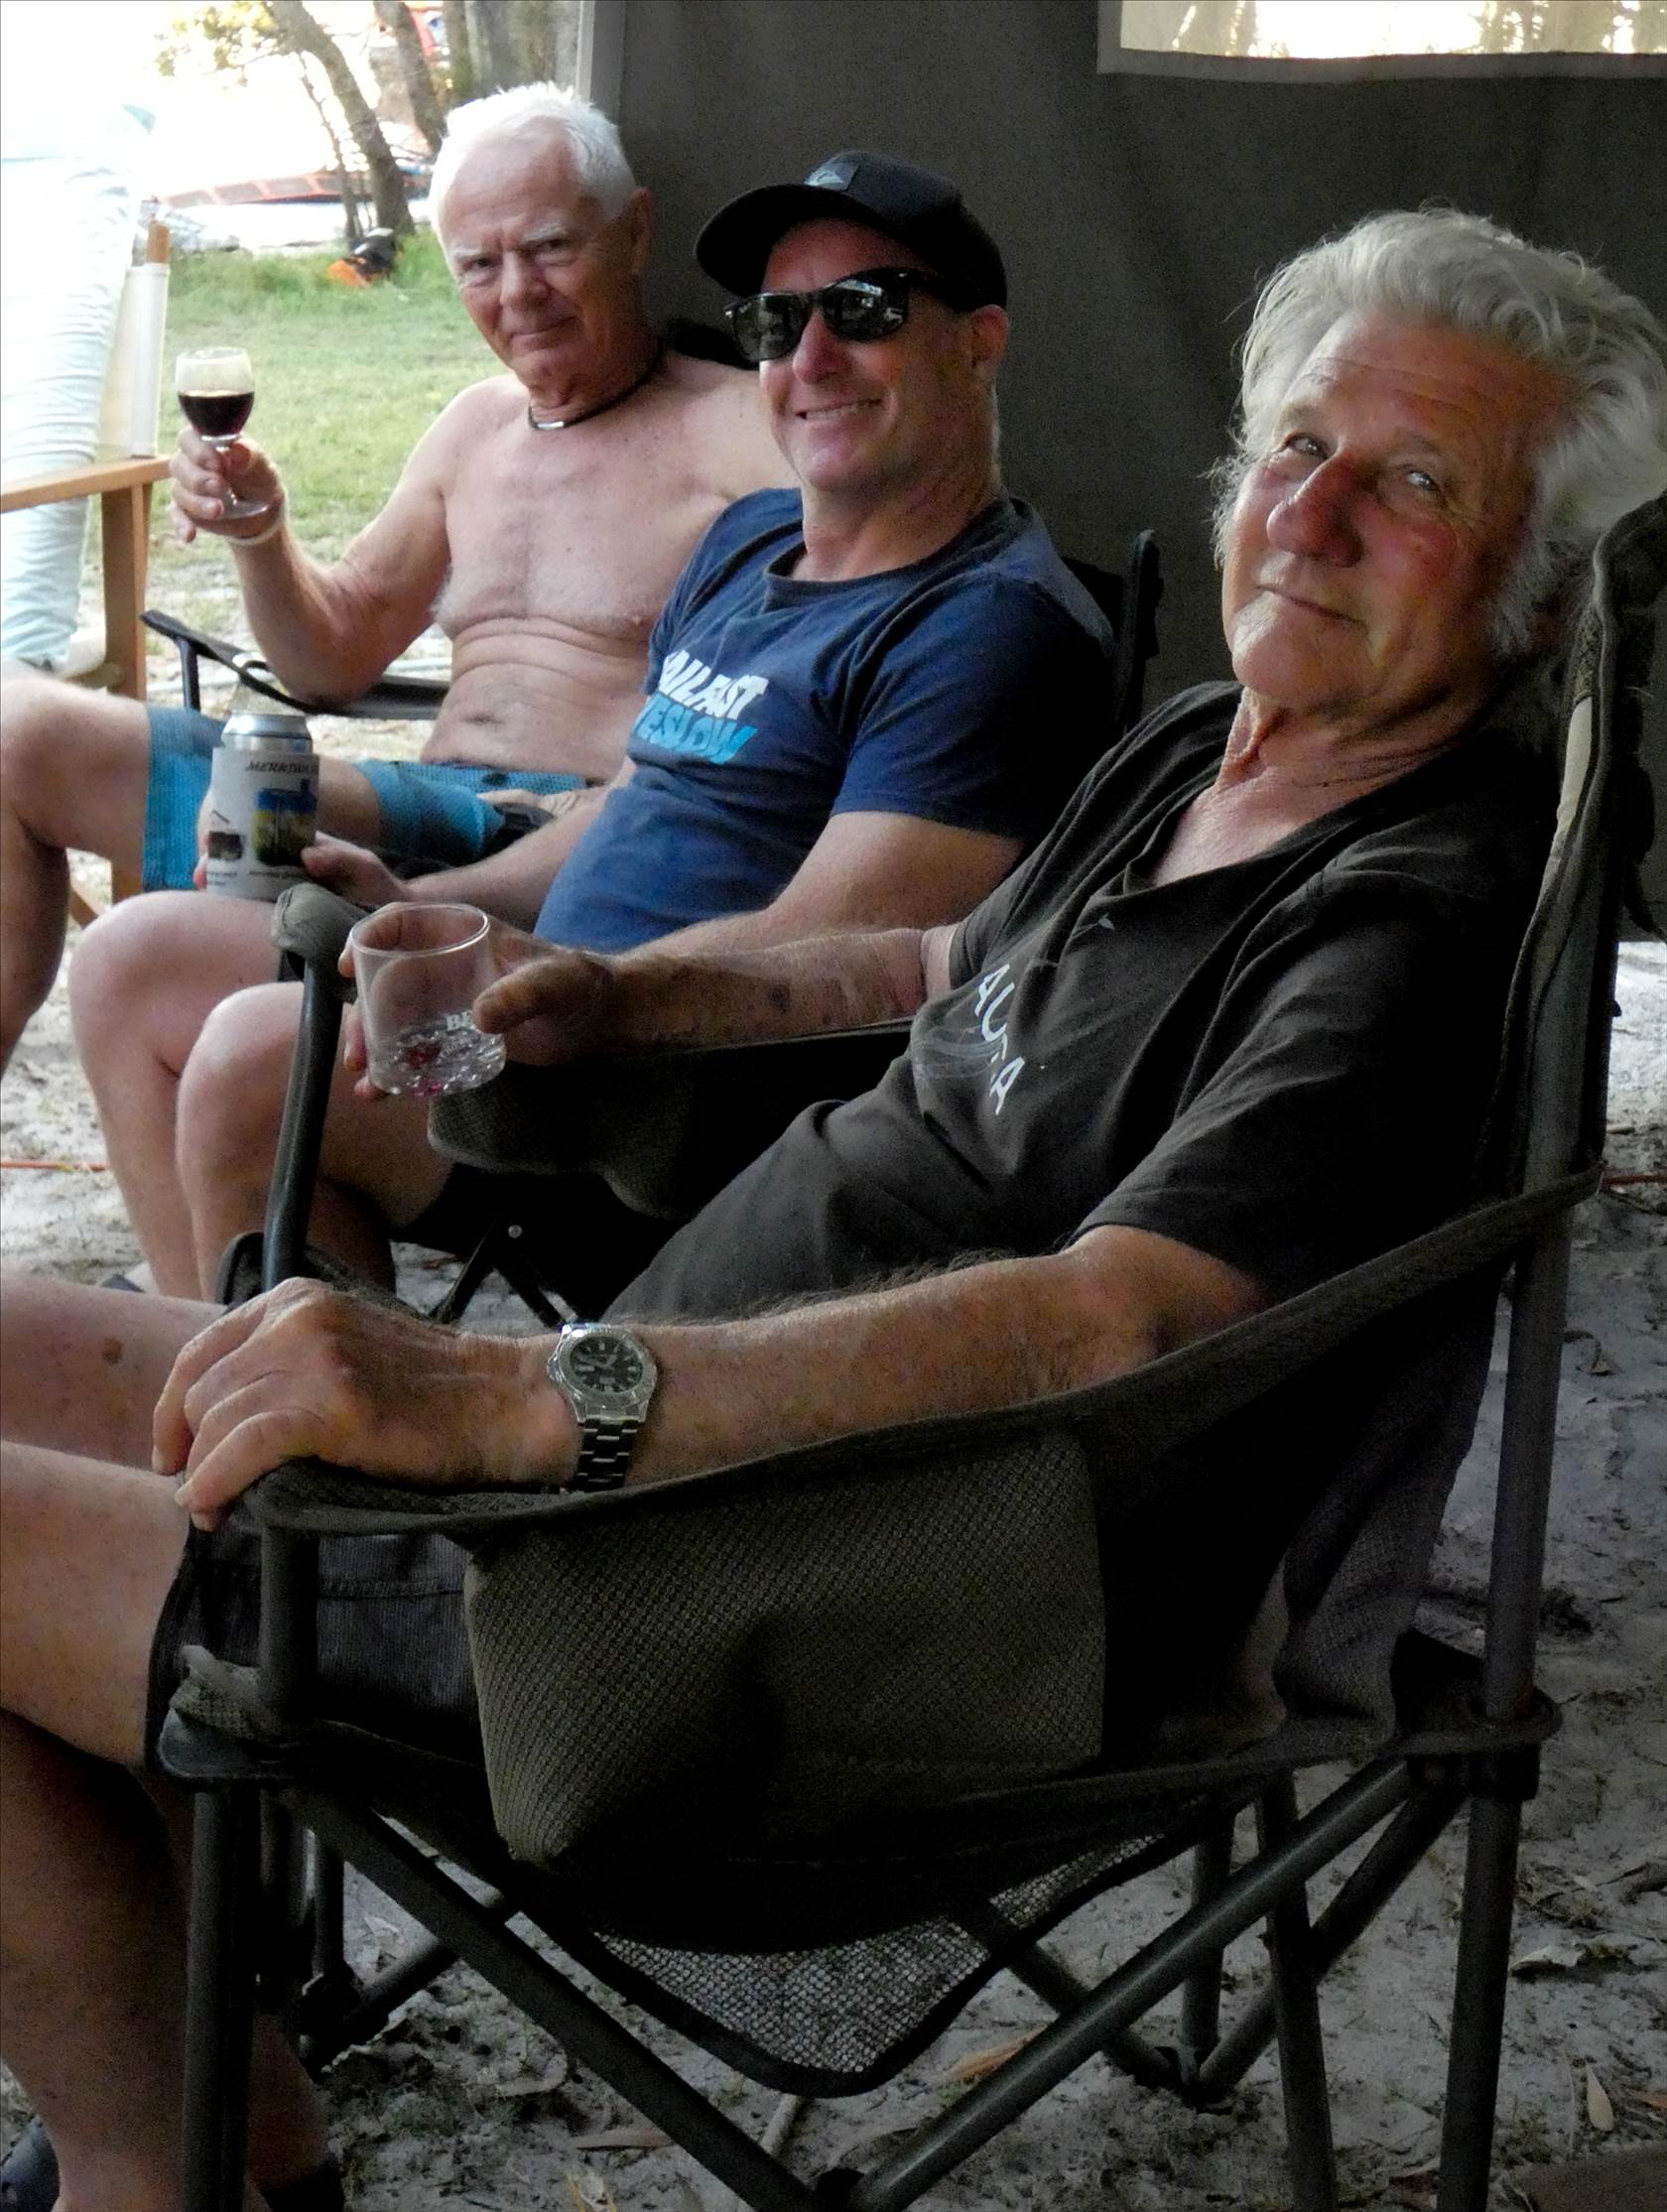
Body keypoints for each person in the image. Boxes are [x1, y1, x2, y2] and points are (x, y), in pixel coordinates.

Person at [4, 207, 1664, 2212]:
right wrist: (636, 994)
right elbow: (947, 960)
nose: (1309, 520)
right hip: (667, 1466)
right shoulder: (1206, 749)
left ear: (1543, 601)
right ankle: (224, 2114)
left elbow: (1126, 1316)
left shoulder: (1406, 920)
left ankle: (161, 2169)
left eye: (1417, 486)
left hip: (793, 1624)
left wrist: (512, 1398)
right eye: (1301, 446)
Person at [66, 150, 1116, 1296]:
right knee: (134, 958)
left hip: (679, 1101)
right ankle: (245, 1360)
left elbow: (848, 950)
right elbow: (629, 803)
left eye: (865, 311)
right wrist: (432, 906)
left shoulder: (991, 627)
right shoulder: (751, 545)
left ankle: (297, 1392)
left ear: (979, 341)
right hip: (551, 1007)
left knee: (256, 1062)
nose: (811, 357)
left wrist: (571, 993)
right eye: (778, 321)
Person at [0, 80, 792, 1072]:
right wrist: (261, 533)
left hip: (577, 834)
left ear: (634, 232)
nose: (518, 292)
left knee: (151, 930)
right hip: (419, 810)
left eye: (550, 247)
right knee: (15, 734)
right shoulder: (474, 429)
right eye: (479, 264)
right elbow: (330, 660)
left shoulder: (746, 432)